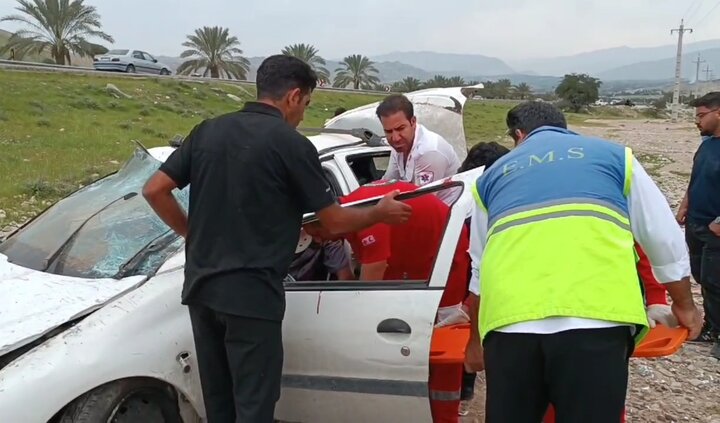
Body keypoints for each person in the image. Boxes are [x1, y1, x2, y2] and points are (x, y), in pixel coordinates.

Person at [142, 54, 412, 423]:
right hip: (252, 297)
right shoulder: (291, 144)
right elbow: (333, 223)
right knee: (254, 404)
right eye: (306, 105)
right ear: (294, 96)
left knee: (219, 401)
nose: (303, 114)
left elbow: (155, 190)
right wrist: (378, 214)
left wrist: (194, 235)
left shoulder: (208, 130)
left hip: (201, 290)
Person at [463, 101, 702, 423]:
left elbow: (479, 269)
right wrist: (685, 305)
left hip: (510, 326)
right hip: (596, 321)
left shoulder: (491, 178)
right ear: (565, 128)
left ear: (518, 136)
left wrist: (475, 342)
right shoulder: (616, 158)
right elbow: (663, 239)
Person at [305, 179, 470, 423]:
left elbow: (371, 285)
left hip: (446, 257)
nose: (319, 242)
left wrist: (352, 327)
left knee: (443, 345)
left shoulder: (365, 214)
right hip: (415, 260)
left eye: (318, 234)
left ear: (329, 220)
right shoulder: (351, 210)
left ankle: (445, 416)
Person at [676, 91, 720, 358]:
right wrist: (684, 206)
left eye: (701, 116)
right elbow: (697, 179)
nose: (697, 121)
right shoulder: (706, 145)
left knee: (717, 282)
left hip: (716, 229)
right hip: (696, 224)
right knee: (703, 278)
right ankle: (712, 327)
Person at [378, 94, 461, 200]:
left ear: (413, 122)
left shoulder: (430, 151)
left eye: (400, 128)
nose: (395, 138)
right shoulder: (400, 145)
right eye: (388, 131)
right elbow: (387, 183)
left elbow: (423, 201)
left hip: (451, 210)